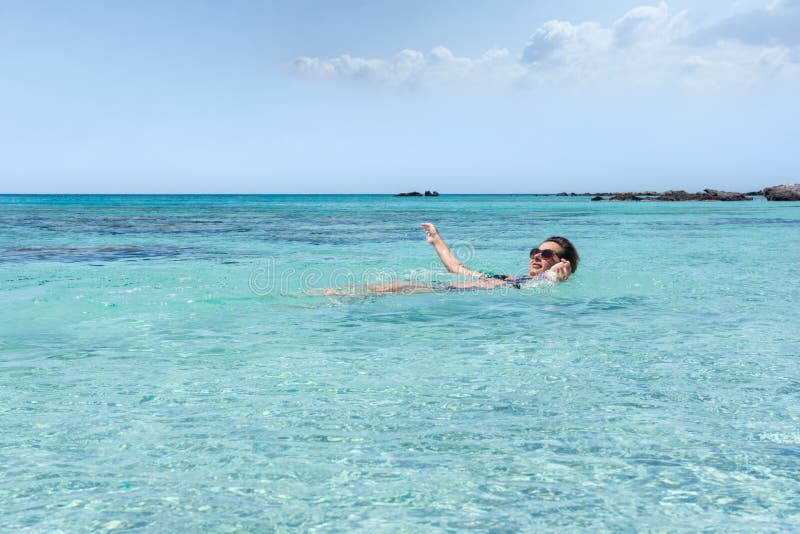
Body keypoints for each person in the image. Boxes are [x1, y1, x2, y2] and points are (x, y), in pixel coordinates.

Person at [321, 223, 578, 296]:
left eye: (546, 254)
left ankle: (328, 297)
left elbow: (549, 284)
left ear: (560, 262)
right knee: (390, 285)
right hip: (450, 288)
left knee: (394, 286)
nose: (536, 256)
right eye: (535, 251)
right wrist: (436, 239)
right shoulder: (514, 279)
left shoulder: (544, 282)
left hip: (450, 293)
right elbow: (458, 268)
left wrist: (554, 276)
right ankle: (336, 295)